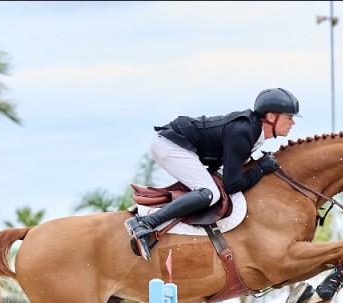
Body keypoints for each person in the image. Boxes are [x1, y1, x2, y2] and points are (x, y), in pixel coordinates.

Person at [125, 87, 300, 261]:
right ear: (271, 117)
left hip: (179, 145)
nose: (292, 123)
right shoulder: (244, 132)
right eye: (289, 117)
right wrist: (261, 169)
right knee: (209, 193)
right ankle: (144, 223)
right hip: (171, 145)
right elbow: (232, 185)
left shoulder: (254, 132)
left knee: (210, 190)